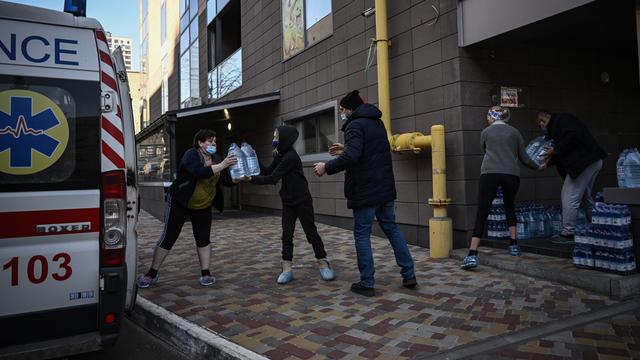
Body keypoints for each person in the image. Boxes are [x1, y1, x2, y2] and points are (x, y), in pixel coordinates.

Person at [313, 90, 417, 297]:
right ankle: (409, 274)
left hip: (365, 190)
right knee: (392, 229)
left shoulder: (354, 125)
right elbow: (370, 150)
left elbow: (353, 157)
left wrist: (327, 166)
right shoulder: (377, 123)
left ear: (350, 109)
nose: (341, 113)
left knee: (362, 234)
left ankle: (367, 282)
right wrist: (346, 148)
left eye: (342, 110)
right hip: (385, 189)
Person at [137, 129, 237, 288]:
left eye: (215, 141)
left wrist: (240, 178)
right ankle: (152, 273)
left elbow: (225, 180)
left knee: (203, 238)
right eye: (210, 141)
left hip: (203, 205)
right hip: (180, 202)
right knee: (169, 236)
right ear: (200, 142)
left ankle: (206, 273)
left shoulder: (216, 158)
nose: (213, 144)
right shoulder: (191, 155)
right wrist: (223, 164)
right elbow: (199, 172)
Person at [240, 126, 335, 284]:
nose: (273, 139)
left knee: (311, 233)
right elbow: (268, 171)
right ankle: (287, 269)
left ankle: (323, 263)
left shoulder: (290, 157)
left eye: (276, 136)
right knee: (286, 235)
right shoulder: (281, 155)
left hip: (302, 200)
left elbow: (273, 179)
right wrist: (254, 157)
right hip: (288, 201)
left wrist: (249, 179)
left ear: (284, 138)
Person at [460, 106, 541, 270]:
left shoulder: (485, 132)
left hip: (489, 173)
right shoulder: (515, 132)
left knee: (482, 210)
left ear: (491, 117)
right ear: (506, 117)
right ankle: (513, 244)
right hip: (511, 174)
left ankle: (472, 254)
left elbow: (485, 150)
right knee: (509, 206)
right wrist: (537, 166)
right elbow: (524, 157)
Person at [537, 110, 606, 241]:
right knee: (585, 196)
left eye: (541, 123)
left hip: (584, 162)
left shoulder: (562, 121)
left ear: (544, 119)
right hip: (591, 160)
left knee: (569, 195)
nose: (541, 126)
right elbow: (563, 150)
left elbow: (572, 139)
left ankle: (568, 232)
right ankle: (598, 226)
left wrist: (555, 150)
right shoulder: (559, 126)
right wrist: (548, 162)